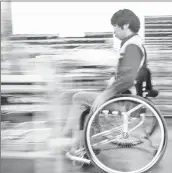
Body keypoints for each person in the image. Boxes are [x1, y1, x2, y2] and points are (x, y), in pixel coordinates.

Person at [61, 9, 156, 152]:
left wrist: (106, 94)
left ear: (125, 25)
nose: (114, 32)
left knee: (78, 98)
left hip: (124, 102)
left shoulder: (131, 46)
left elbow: (128, 78)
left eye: (115, 27)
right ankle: (84, 143)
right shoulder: (134, 44)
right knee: (86, 101)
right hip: (126, 98)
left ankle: (69, 139)